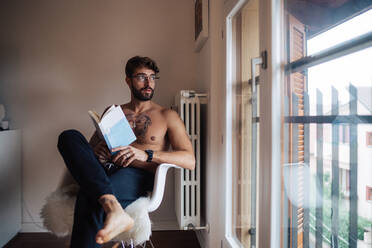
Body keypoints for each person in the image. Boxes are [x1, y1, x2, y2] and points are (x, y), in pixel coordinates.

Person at [57, 56, 195, 248]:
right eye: (141, 77)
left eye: (152, 77)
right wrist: (98, 151)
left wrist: (147, 154)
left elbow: (189, 160)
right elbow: (88, 154)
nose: (149, 83)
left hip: (137, 174)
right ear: (128, 80)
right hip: (105, 169)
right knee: (68, 136)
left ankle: (107, 207)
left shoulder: (167, 115)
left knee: (90, 197)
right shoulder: (113, 112)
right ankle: (113, 208)